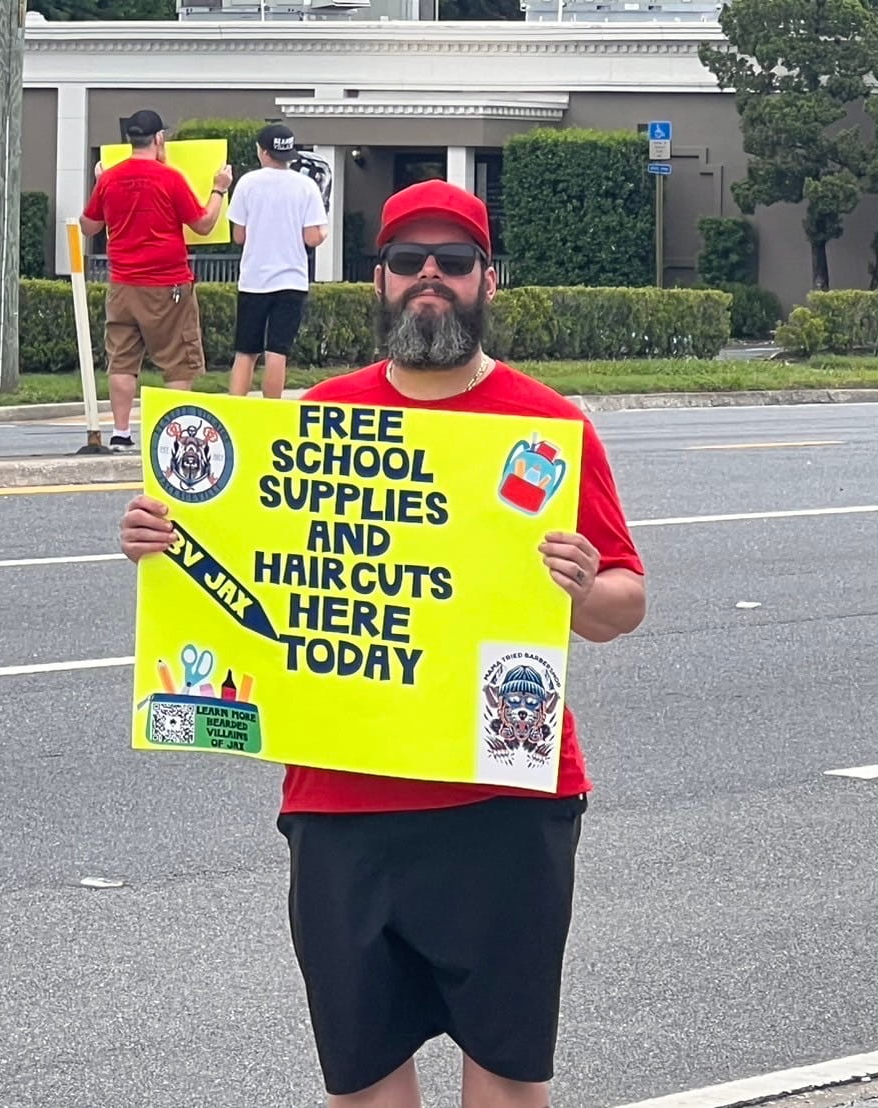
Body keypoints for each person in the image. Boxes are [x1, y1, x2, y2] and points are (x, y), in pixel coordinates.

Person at [118, 179, 647, 1108]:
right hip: (341, 796)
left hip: (503, 793)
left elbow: (624, 601)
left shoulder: (547, 426)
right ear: (380, 281)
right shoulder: (318, 424)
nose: (430, 278)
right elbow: (248, 567)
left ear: (489, 281)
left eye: (453, 262)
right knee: (360, 1083)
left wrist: (572, 588)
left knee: (508, 1075)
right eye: (410, 262)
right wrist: (164, 541)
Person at [79, 109, 232, 448]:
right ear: (159, 138)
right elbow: (203, 224)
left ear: (129, 140)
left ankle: (120, 433)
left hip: (122, 284)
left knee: (122, 360)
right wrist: (218, 189)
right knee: (178, 362)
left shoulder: (109, 179)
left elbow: (89, 226)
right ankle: (173, 434)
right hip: (169, 285)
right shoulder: (170, 178)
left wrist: (99, 183)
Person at [226, 123, 329, 400]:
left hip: (254, 279)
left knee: (246, 350)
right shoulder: (306, 186)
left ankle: (236, 409)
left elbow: (239, 236)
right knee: (277, 351)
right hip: (291, 279)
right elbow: (312, 238)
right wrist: (324, 231)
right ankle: (271, 411)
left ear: (262, 151)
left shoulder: (247, 183)